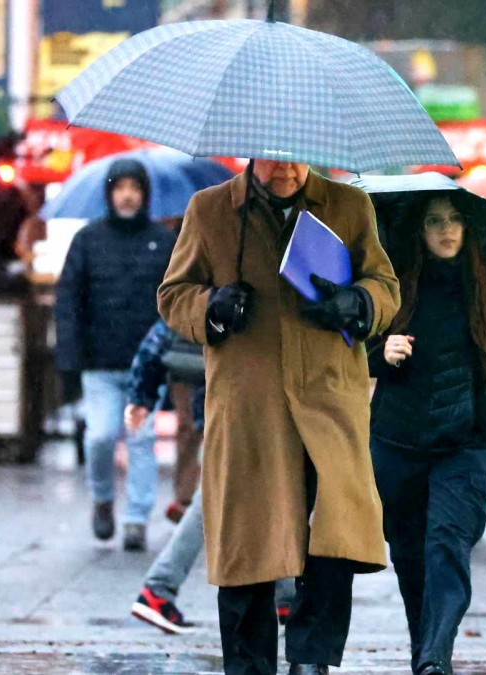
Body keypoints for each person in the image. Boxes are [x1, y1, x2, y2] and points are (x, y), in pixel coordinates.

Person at [159, 160, 399, 675]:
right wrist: (213, 307)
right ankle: (249, 666)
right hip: (249, 405)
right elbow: (173, 294)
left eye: (296, 155)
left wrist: (357, 302)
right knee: (248, 545)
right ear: (252, 150)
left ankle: (312, 659)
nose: (287, 167)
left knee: (336, 537)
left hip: (329, 400)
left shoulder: (349, 205)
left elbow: (385, 285)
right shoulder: (210, 210)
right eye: (274, 154)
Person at [368, 195, 486, 675]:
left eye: (455, 220)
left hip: (462, 447)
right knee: (410, 555)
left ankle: (436, 656)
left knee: (448, 546)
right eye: (434, 221)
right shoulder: (395, 287)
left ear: (468, 228)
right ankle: (426, 649)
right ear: (419, 231)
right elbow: (357, 354)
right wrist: (381, 353)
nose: (446, 230)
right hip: (398, 442)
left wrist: (481, 419)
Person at [126, 320, 296, 635]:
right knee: (219, 496)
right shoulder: (227, 281)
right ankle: (159, 588)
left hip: (227, 402)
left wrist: (142, 395)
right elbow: (167, 326)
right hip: (239, 405)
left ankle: (286, 598)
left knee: (261, 492)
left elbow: (161, 335)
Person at [55, 159, 176, 551]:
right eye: (120, 187)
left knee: (141, 442)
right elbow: (68, 300)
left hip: (147, 365)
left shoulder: (163, 241)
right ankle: (103, 498)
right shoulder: (88, 240)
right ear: (109, 194)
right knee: (101, 437)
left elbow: (176, 299)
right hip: (100, 362)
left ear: (144, 194)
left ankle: (137, 519)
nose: (127, 195)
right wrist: (70, 356)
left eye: (135, 188)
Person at [125, 320, 202, 523]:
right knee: (191, 429)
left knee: (200, 431)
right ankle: (185, 499)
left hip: (206, 358)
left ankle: (193, 498)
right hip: (188, 363)